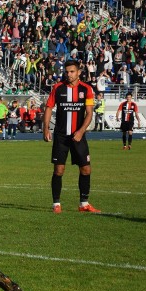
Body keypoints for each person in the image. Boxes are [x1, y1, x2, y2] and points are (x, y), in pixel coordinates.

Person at [43, 60, 99, 214]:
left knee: (86, 169)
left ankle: (84, 204)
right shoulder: (58, 88)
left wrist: (81, 131)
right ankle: (56, 204)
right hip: (61, 136)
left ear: (79, 72)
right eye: (67, 72)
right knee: (59, 170)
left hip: (78, 135)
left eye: (72, 71)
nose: (69, 74)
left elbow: (89, 113)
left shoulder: (86, 89)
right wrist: (46, 128)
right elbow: (48, 107)